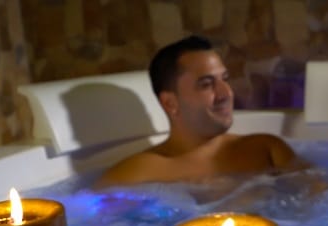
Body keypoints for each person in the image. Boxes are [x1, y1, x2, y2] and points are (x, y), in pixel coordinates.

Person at [95, 35, 300, 187]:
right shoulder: (135, 174)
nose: (225, 93)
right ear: (170, 103)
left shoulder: (265, 150)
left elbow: (320, 204)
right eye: (206, 84)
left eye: (225, 79)